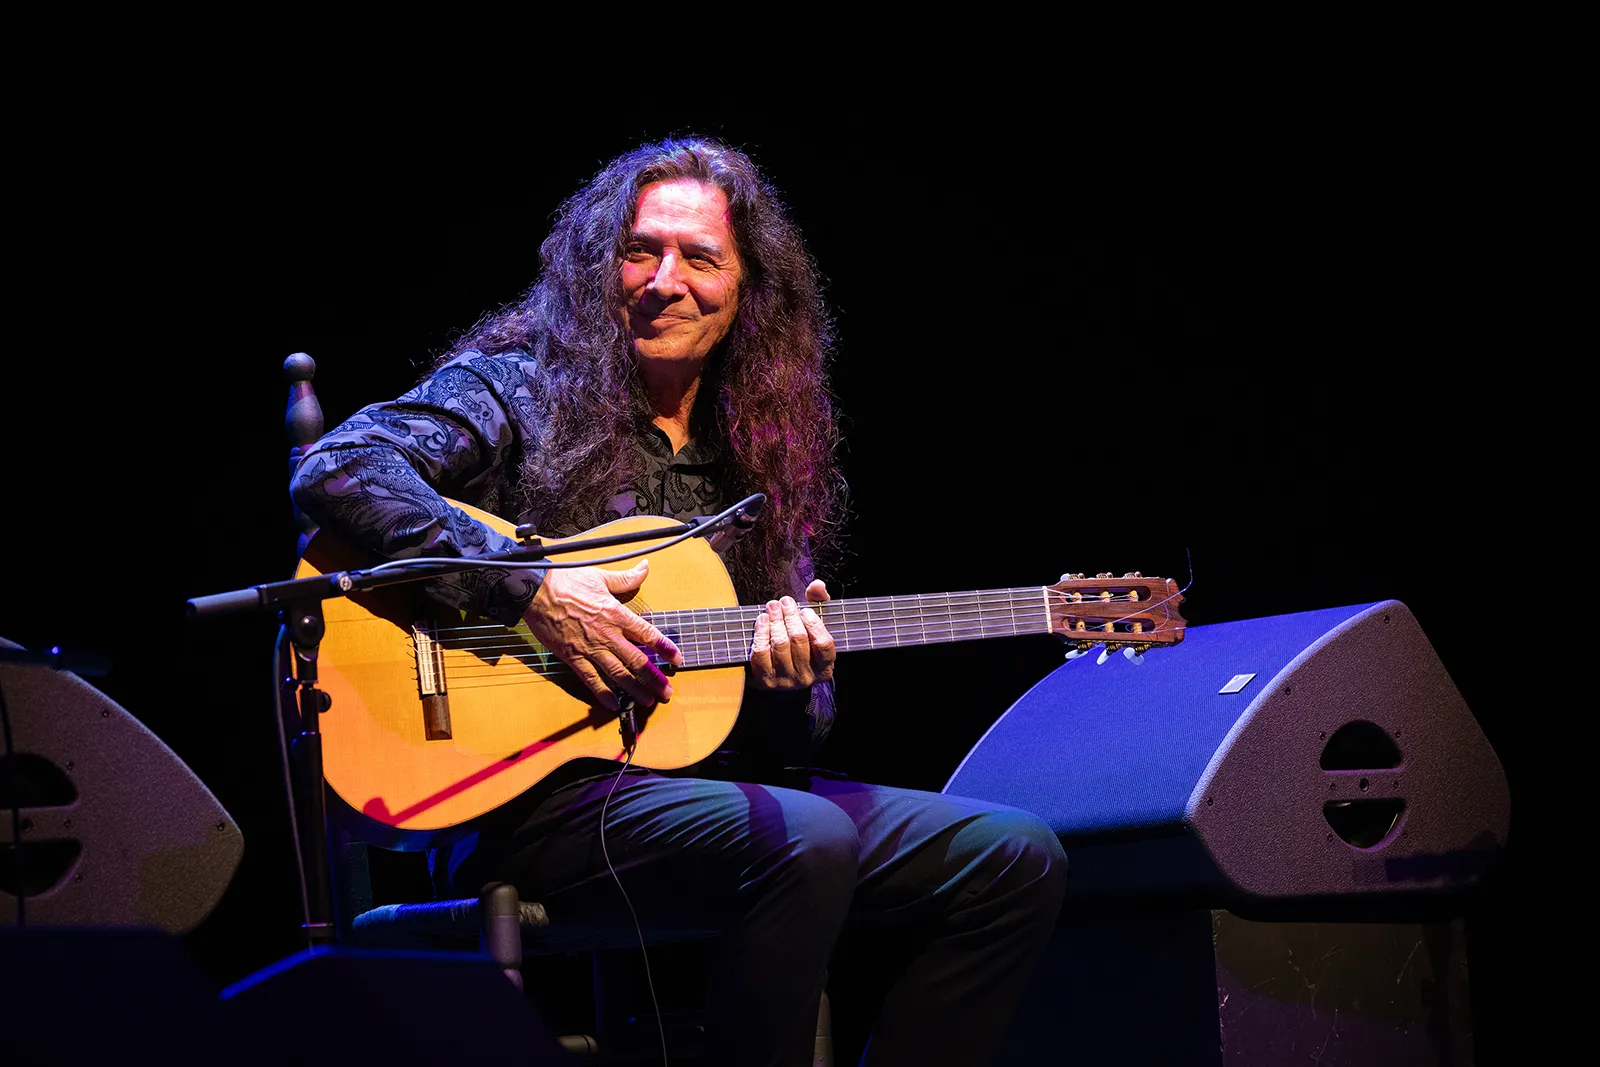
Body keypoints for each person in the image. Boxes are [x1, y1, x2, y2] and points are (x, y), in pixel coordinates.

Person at [290, 137, 1068, 1067]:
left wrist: (789, 680)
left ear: (746, 294)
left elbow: (798, 731)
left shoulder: (762, 450)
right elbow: (338, 466)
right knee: (808, 838)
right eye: (639, 252)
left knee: (1015, 855)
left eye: (700, 259)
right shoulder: (521, 387)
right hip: (531, 798)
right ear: (597, 267)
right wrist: (529, 588)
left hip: (718, 793)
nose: (665, 281)